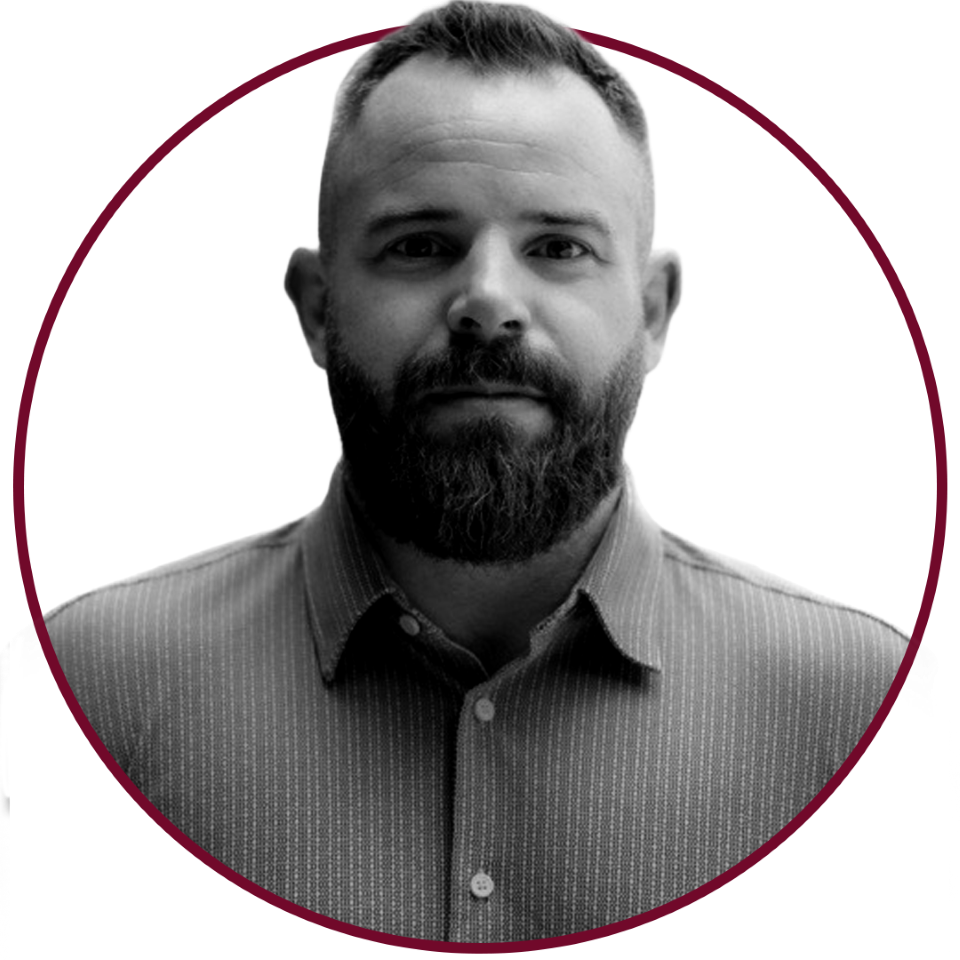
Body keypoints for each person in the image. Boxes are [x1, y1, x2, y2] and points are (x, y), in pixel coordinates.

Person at [38, 0, 908, 943]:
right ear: (318, 308)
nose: (488, 302)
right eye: (420, 245)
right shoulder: (79, 690)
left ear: (653, 311)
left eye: (558, 248)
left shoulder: (872, 709)